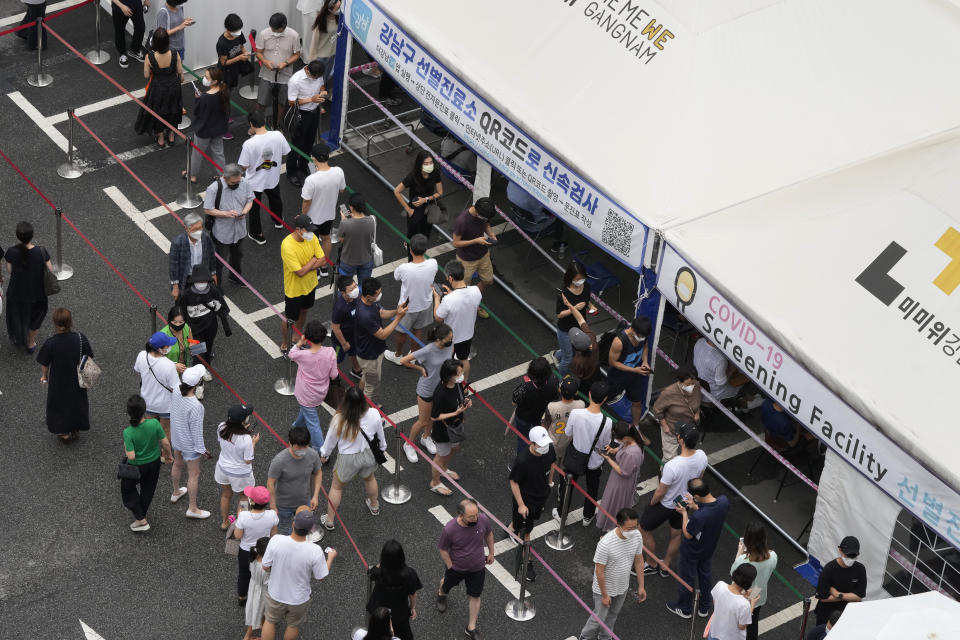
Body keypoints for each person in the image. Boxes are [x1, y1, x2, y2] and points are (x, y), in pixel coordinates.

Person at [639, 423, 707, 577]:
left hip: (665, 505)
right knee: (676, 535)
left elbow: (661, 491)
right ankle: (666, 566)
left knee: (642, 529)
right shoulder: (702, 456)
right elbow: (699, 479)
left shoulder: (672, 466)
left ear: (680, 439)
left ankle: (651, 563)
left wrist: (651, 504)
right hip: (684, 502)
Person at [260, 510, 336, 640]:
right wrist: (330, 558)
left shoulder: (276, 540)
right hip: (299, 598)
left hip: (276, 593)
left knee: (270, 621)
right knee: (293, 626)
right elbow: (321, 576)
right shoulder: (315, 551)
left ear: (293, 523)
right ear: (310, 530)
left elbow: (266, 566)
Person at [318, 386, 387, 528]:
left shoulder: (339, 419)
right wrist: (382, 449)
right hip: (368, 455)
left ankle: (330, 520)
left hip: (347, 459)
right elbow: (380, 436)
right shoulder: (374, 413)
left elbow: (330, 441)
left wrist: (324, 455)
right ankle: (374, 505)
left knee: (336, 488)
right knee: (370, 478)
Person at [578, 507, 647, 640]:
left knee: (613, 614)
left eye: (635, 526)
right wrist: (604, 595)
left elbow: (639, 561)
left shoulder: (637, 535)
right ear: (618, 525)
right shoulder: (605, 544)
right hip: (603, 589)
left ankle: (605, 637)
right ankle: (584, 637)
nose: (633, 531)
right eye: (629, 528)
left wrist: (641, 586)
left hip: (622, 586)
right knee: (598, 618)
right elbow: (599, 571)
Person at [666, 478, 731, 619]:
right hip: (708, 548)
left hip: (691, 551)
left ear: (696, 497)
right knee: (705, 577)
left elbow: (688, 533)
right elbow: (710, 512)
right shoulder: (723, 502)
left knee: (687, 579)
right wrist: (697, 507)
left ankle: (685, 608)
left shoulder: (699, 516)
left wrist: (684, 513)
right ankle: (704, 607)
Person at [554, 381, 613, 527]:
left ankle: (562, 514)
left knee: (568, 485)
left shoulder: (576, 413)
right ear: (605, 399)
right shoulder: (607, 422)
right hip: (594, 461)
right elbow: (606, 443)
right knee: (592, 488)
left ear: (589, 394)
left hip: (575, 457)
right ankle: (587, 516)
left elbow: (568, 432)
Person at [436, 499, 495, 640]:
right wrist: (451, 567)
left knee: (475, 595)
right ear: (461, 515)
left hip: (478, 567)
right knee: (447, 585)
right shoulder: (449, 529)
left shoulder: (483, 519)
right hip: (457, 568)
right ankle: (442, 593)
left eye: (477, 514)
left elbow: (488, 534)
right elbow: (443, 550)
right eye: (471, 516)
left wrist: (492, 553)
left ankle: (471, 627)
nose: (476, 518)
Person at [37, 308, 94, 442]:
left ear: (55, 323)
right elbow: (88, 356)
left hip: (58, 381)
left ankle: (64, 432)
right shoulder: (80, 338)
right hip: (77, 378)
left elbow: (45, 363)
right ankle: (76, 426)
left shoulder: (51, 343)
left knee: (59, 405)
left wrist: (44, 377)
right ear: (70, 322)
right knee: (76, 403)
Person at [399, 323, 453, 463]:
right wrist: (420, 368)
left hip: (440, 388)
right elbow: (404, 360)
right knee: (423, 420)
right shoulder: (428, 350)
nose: (451, 340)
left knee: (433, 417)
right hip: (427, 389)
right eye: (448, 338)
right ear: (439, 339)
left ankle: (426, 437)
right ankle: (408, 444)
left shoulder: (450, 346)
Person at [508, 426, 555, 581]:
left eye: (546, 443)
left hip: (541, 496)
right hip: (526, 501)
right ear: (533, 443)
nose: (545, 447)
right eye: (541, 445)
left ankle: (513, 526)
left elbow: (552, 465)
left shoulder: (549, 449)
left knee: (526, 524)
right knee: (526, 531)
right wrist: (521, 505)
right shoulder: (523, 460)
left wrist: (549, 483)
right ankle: (527, 561)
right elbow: (514, 482)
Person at [121, 394, 173, 532]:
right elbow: (166, 443)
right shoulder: (154, 424)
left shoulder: (128, 432)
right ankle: (141, 515)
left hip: (137, 466)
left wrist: (126, 447)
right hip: (154, 462)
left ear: (129, 413)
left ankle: (141, 519)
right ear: (144, 410)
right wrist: (168, 455)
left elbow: (131, 456)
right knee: (148, 489)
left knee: (127, 489)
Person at [239, 112, 291, 244]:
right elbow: (286, 151)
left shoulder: (249, 144)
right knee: (275, 199)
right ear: (264, 121)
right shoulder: (278, 135)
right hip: (273, 177)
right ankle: (278, 220)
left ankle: (257, 234)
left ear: (251, 124)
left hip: (255, 182)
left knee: (254, 208)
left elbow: (243, 166)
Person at [354, 277, 409, 403]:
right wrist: (399, 318)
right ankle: (367, 411)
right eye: (377, 293)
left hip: (374, 351)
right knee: (372, 385)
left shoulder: (368, 303)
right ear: (368, 296)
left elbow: (381, 313)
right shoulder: (365, 315)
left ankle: (357, 398)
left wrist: (396, 311)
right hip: (369, 356)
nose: (380, 295)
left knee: (366, 379)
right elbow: (383, 334)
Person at [388, 233, 438, 363]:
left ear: (410, 249)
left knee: (401, 332)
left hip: (407, 307)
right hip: (426, 304)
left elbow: (396, 276)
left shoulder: (404, 268)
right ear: (426, 250)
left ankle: (398, 355)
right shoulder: (433, 263)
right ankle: (413, 356)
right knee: (418, 329)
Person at [289, 320, 339, 451]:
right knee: (307, 410)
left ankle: (320, 448)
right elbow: (334, 374)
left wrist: (299, 343)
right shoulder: (331, 352)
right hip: (321, 392)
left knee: (313, 423)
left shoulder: (303, 355)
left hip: (305, 393)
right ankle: (297, 425)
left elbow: (291, 354)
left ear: (306, 337)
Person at [4, 220, 52, 352]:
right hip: (37, 293)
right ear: (32, 235)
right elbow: (50, 269)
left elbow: (9, 270)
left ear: (18, 236)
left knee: (18, 315)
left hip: (16, 292)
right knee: (36, 318)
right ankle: (30, 344)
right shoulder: (41, 252)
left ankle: (18, 337)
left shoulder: (11, 252)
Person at [280, 215, 326, 352]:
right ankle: (285, 344)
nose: (311, 233)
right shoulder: (287, 245)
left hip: (310, 284)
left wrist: (308, 266)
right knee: (289, 318)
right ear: (298, 230)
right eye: (308, 230)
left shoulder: (311, 238)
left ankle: (295, 338)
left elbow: (323, 259)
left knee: (304, 310)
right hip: (294, 289)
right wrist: (313, 261)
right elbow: (299, 273)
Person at [170, 364, 210, 519]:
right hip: (190, 445)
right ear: (197, 383)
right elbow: (196, 431)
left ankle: (175, 491)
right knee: (194, 474)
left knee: (177, 464)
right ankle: (192, 508)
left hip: (176, 437)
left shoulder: (176, 391)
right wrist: (202, 449)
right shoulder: (196, 406)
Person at [203, 163, 254, 286]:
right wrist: (226, 214)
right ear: (224, 178)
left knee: (238, 255)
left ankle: (235, 277)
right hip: (222, 232)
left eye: (238, 182)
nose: (237, 185)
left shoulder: (245, 182)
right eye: (233, 183)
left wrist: (245, 211)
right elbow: (208, 209)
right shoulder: (213, 189)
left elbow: (250, 200)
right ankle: (216, 285)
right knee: (219, 261)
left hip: (240, 229)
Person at [267, 426, 323, 534]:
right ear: (290, 443)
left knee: (303, 530)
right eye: (298, 447)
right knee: (284, 530)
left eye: (305, 446)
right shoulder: (279, 461)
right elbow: (270, 483)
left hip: (304, 502)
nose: (302, 450)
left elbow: (318, 473)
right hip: (283, 505)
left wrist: (315, 496)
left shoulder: (312, 455)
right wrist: (273, 506)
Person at [434, 259, 482, 381]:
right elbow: (467, 303)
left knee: (446, 359)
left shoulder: (449, 300)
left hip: (451, 336)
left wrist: (437, 299)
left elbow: (438, 317)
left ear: (450, 278)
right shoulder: (476, 291)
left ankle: (446, 379)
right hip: (467, 334)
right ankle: (465, 384)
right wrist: (452, 293)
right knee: (463, 359)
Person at [134, 28, 182, 147]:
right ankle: (171, 135)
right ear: (167, 41)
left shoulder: (149, 57)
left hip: (158, 88)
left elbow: (146, 75)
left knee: (158, 112)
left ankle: (160, 137)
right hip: (173, 87)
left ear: (154, 42)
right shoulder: (175, 54)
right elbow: (181, 75)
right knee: (173, 110)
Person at [730, 523, 779, 640]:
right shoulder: (773, 556)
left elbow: (733, 573)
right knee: (752, 622)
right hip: (757, 594)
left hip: (741, 595)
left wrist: (739, 553)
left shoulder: (742, 560)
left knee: (736, 624)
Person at [429, 359, 471, 496]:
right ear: (449, 376)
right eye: (458, 373)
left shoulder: (457, 384)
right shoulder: (441, 393)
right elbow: (434, 416)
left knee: (453, 448)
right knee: (440, 455)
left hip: (456, 425)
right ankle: (435, 483)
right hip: (443, 430)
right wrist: (456, 413)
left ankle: (444, 469)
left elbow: (460, 397)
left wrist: (466, 402)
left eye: (461, 371)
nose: (461, 375)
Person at [300, 140, 346, 265]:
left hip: (312, 218)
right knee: (326, 239)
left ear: (313, 157)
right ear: (328, 155)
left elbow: (306, 201)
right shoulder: (338, 171)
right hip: (329, 214)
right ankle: (324, 266)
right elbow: (342, 189)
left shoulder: (311, 180)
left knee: (310, 243)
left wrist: (302, 217)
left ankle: (314, 267)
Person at [215, 404, 260, 529]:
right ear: (243, 421)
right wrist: (253, 443)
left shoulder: (221, 427)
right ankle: (241, 525)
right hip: (240, 474)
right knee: (244, 497)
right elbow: (247, 461)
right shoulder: (246, 439)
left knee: (225, 495)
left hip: (223, 468)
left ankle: (224, 522)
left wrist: (241, 429)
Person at [367, 540, 422, 640]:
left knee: (378, 630)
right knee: (405, 634)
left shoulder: (378, 572)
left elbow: (371, 572)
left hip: (379, 609)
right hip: (399, 610)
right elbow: (412, 594)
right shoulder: (409, 574)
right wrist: (412, 607)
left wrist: (381, 564)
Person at [176, 265, 231, 366]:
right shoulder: (186, 295)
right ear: (194, 282)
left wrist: (218, 307)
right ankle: (199, 371)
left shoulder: (213, 291)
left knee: (208, 349)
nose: (201, 284)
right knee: (198, 353)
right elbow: (180, 312)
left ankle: (206, 365)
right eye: (199, 281)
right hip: (193, 330)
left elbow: (224, 309)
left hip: (210, 328)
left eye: (204, 281)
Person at [606, 315, 653, 432]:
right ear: (633, 330)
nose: (642, 339)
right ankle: (604, 424)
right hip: (617, 377)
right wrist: (634, 370)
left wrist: (645, 362)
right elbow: (612, 362)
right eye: (641, 336)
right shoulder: (619, 341)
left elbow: (645, 348)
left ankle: (636, 428)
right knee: (606, 399)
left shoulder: (643, 337)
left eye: (644, 337)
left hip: (634, 376)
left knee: (637, 402)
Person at [596, 423, 644, 532]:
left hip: (621, 483)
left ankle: (610, 526)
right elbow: (623, 446)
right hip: (624, 480)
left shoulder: (631, 453)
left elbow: (624, 472)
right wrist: (614, 450)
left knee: (614, 503)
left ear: (626, 437)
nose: (618, 441)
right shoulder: (634, 440)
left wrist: (608, 459)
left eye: (619, 439)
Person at [234, 488, 279, 607]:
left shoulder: (243, 516)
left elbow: (238, 535)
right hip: (264, 551)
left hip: (246, 551)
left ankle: (242, 597)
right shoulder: (272, 515)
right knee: (265, 574)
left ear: (252, 502)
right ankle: (264, 598)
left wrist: (242, 509)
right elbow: (274, 535)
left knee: (244, 575)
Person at [452, 197, 497, 313]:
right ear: (477, 211)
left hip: (483, 255)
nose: (485, 219)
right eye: (484, 217)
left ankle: (472, 300)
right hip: (466, 260)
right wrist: (475, 241)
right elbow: (456, 243)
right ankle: (462, 308)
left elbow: (486, 224)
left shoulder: (483, 214)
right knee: (461, 289)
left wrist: (491, 234)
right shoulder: (462, 221)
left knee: (488, 281)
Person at [393, 150, 443, 256]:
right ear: (420, 164)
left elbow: (440, 192)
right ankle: (410, 250)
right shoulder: (413, 176)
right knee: (413, 233)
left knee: (426, 232)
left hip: (429, 208)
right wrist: (408, 209)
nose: (429, 165)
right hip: (414, 210)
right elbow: (397, 191)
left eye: (431, 163)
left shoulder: (435, 173)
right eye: (426, 163)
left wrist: (426, 199)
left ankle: (422, 249)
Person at [255, 13, 300, 127]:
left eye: (276, 29)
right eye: (272, 28)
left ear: (284, 26)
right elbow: (258, 52)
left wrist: (285, 63)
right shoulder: (264, 34)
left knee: (281, 102)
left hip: (285, 75)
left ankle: (277, 124)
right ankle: (257, 124)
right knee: (261, 102)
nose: (273, 31)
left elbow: (297, 55)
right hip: (266, 74)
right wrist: (265, 62)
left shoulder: (294, 35)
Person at [134, 331, 180, 439]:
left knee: (150, 430)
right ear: (161, 348)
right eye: (168, 345)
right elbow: (176, 388)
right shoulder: (169, 365)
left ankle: (153, 451)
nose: (169, 347)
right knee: (166, 430)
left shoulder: (141, 355)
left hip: (148, 402)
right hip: (165, 405)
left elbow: (138, 369)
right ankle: (166, 455)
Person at [286, 59, 328, 181]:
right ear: (309, 72)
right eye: (316, 77)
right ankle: (291, 171)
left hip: (314, 112)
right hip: (301, 114)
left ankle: (303, 165)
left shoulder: (318, 74)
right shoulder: (295, 80)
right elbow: (292, 102)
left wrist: (322, 91)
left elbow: (321, 84)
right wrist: (312, 99)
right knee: (296, 144)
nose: (317, 79)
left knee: (309, 142)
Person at [187, 66, 230, 183]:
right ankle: (223, 175)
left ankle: (192, 175)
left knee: (197, 154)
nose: (204, 79)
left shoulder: (205, 97)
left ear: (215, 81)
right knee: (218, 153)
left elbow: (197, 112)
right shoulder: (224, 91)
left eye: (206, 77)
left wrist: (197, 99)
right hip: (218, 129)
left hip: (204, 130)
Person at [652, 364, 702, 463]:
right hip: (671, 430)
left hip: (687, 429)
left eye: (692, 383)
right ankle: (665, 476)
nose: (691, 386)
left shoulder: (696, 385)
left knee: (683, 455)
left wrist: (697, 413)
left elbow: (697, 401)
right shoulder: (668, 393)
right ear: (679, 381)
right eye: (687, 384)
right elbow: (657, 409)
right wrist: (664, 425)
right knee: (669, 459)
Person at [813, 536, 866, 625]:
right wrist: (849, 597)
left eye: (854, 556)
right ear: (840, 550)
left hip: (847, 614)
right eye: (848, 555)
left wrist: (838, 594)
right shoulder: (829, 569)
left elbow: (858, 597)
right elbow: (823, 598)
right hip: (826, 615)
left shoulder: (860, 569)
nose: (850, 558)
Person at [543, 374, 585, 487]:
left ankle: (549, 482)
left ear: (560, 390)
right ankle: (562, 487)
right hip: (569, 442)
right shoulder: (581, 405)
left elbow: (545, 424)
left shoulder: (552, 406)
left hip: (554, 441)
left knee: (552, 463)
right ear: (576, 393)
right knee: (565, 467)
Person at [510, 357, 558, 453]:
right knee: (539, 438)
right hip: (542, 416)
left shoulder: (525, 388)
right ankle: (538, 454)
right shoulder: (554, 380)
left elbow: (513, 402)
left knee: (523, 439)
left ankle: (522, 459)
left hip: (524, 417)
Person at [555, 261, 593, 375]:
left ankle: (556, 355)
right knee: (568, 359)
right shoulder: (564, 293)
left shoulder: (586, 286)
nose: (580, 282)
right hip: (566, 329)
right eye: (577, 279)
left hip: (580, 326)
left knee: (570, 350)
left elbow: (587, 300)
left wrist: (591, 306)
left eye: (582, 278)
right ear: (571, 277)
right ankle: (564, 381)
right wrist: (574, 308)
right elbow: (559, 314)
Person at [168, 212, 216, 298]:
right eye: (195, 229)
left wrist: (213, 273)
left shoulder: (205, 237)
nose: (199, 232)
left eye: (200, 228)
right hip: (186, 278)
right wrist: (175, 287)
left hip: (202, 275)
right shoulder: (178, 242)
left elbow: (211, 255)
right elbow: (173, 265)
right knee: (184, 301)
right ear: (187, 229)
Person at [710, 565, 761, 640]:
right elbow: (742, 626)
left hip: (714, 631)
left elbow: (717, 603)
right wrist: (752, 604)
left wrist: (742, 595)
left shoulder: (720, 585)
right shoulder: (744, 604)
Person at [217, 13, 250, 128]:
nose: (238, 32)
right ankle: (222, 123)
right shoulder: (222, 43)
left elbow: (241, 46)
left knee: (228, 94)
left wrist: (245, 53)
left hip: (235, 70)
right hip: (225, 73)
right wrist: (239, 58)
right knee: (224, 97)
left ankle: (225, 115)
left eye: (239, 29)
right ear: (228, 29)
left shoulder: (239, 33)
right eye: (235, 30)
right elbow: (223, 63)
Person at [337, 193, 376, 286]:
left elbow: (341, 239)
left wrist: (343, 220)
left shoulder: (345, 224)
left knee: (345, 287)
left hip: (348, 260)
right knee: (364, 286)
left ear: (351, 208)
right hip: (366, 259)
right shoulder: (372, 220)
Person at [332, 275, 362, 378]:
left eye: (355, 286)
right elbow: (335, 328)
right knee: (337, 360)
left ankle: (356, 369)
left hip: (353, 335)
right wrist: (343, 343)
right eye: (351, 289)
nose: (355, 290)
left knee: (353, 352)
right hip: (340, 341)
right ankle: (334, 378)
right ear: (343, 292)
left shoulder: (356, 297)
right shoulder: (339, 308)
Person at [243, 537, 272, 640]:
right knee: (261, 611)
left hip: (253, 586)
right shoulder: (267, 566)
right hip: (263, 591)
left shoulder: (254, 555)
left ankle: (257, 628)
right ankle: (249, 635)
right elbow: (268, 581)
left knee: (254, 608)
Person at [307, 0, 340, 86]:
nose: (340, 10)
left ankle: (321, 93)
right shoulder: (321, 21)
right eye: (338, 9)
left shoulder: (339, 18)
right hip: (321, 56)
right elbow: (314, 41)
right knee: (316, 78)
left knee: (325, 77)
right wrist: (311, 59)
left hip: (332, 54)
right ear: (329, 10)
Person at [111, 0, 148, 68]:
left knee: (140, 28)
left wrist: (147, 0)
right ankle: (122, 54)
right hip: (119, 8)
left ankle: (134, 51)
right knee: (119, 31)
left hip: (136, 5)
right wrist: (122, 6)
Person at [160, 305, 193, 375]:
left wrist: (193, 343)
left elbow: (190, 340)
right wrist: (173, 366)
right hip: (169, 372)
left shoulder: (186, 327)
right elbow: (157, 359)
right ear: (169, 320)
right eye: (175, 322)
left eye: (181, 322)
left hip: (184, 366)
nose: (178, 325)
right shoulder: (163, 336)